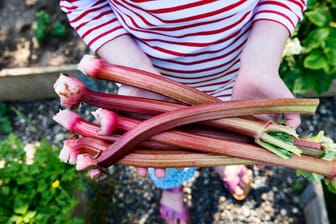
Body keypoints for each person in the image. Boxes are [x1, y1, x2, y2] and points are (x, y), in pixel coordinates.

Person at [60, 1, 306, 223]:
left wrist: (260, 63)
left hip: (238, 82)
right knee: (166, 151)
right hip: (150, 90)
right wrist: (137, 72)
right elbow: (84, 4)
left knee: (229, 136)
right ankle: (172, 185)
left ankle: (223, 161)